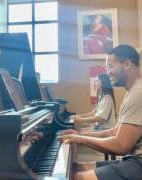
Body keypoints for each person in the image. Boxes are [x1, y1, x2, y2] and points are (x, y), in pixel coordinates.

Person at [61, 44, 142, 180]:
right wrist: (80, 135)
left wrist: (82, 139)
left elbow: (121, 146)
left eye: (111, 66)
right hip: (133, 160)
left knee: (74, 177)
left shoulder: (138, 93)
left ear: (127, 64)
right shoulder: (132, 92)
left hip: (138, 163)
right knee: (74, 168)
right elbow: (114, 132)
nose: (108, 72)